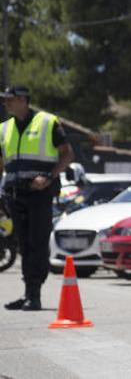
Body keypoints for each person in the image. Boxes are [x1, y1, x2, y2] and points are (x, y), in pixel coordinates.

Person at [1, 86, 73, 311]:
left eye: (9, 100)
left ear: (23, 100)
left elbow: (67, 154)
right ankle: (28, 293)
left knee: (37, 243)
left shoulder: (47, 122)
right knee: (23, 244)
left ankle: (35, 294)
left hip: (40, 194)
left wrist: (49, 177)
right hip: (15, 194)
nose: (5, 103)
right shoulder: (4, 128)